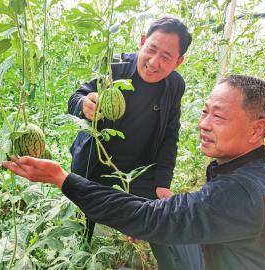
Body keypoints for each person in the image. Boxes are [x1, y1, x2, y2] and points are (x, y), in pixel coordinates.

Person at [3, 75, 265, 270]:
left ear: (256, 129)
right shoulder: (262, 173)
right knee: (161, 228)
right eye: (204, 112)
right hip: (236, 256)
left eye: (218, 117)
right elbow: (176, 217)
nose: (203, 124)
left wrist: (61, 178)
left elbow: (150, 217)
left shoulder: (240, 193)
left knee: (154, 224)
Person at [68, 16, 202, 270]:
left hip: (137, 174)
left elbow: (169, 134)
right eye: (151, 49)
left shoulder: (175, 85)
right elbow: (76, 96)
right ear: (142, 42)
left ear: (179, 61)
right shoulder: (113, 65)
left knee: (137, 233)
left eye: (166, 57)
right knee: (85, 226)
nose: (154, 62)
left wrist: (163, 182)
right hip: (95, 163)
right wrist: (83, 104)